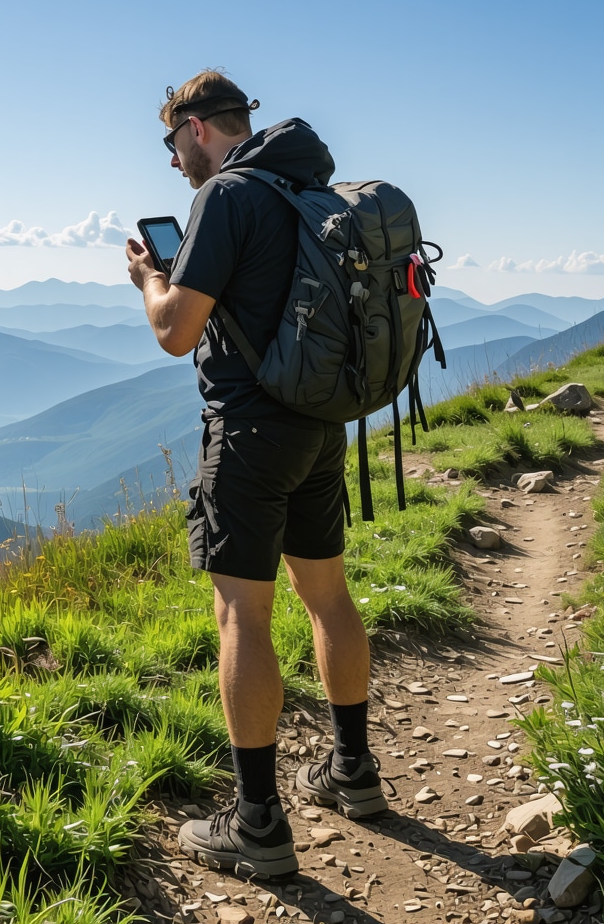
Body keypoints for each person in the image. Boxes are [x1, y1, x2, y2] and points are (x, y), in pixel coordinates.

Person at [125, 70, 388, 881]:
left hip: (247, 431)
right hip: (320, 424)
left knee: (242, 613)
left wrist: (148, 280)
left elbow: (176, 331)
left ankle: (257, 825)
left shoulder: (226, 197)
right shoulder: (307, 187)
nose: (173, 163)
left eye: (173, 144)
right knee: (330, 595)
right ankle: (354, 773)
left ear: (199, 128)